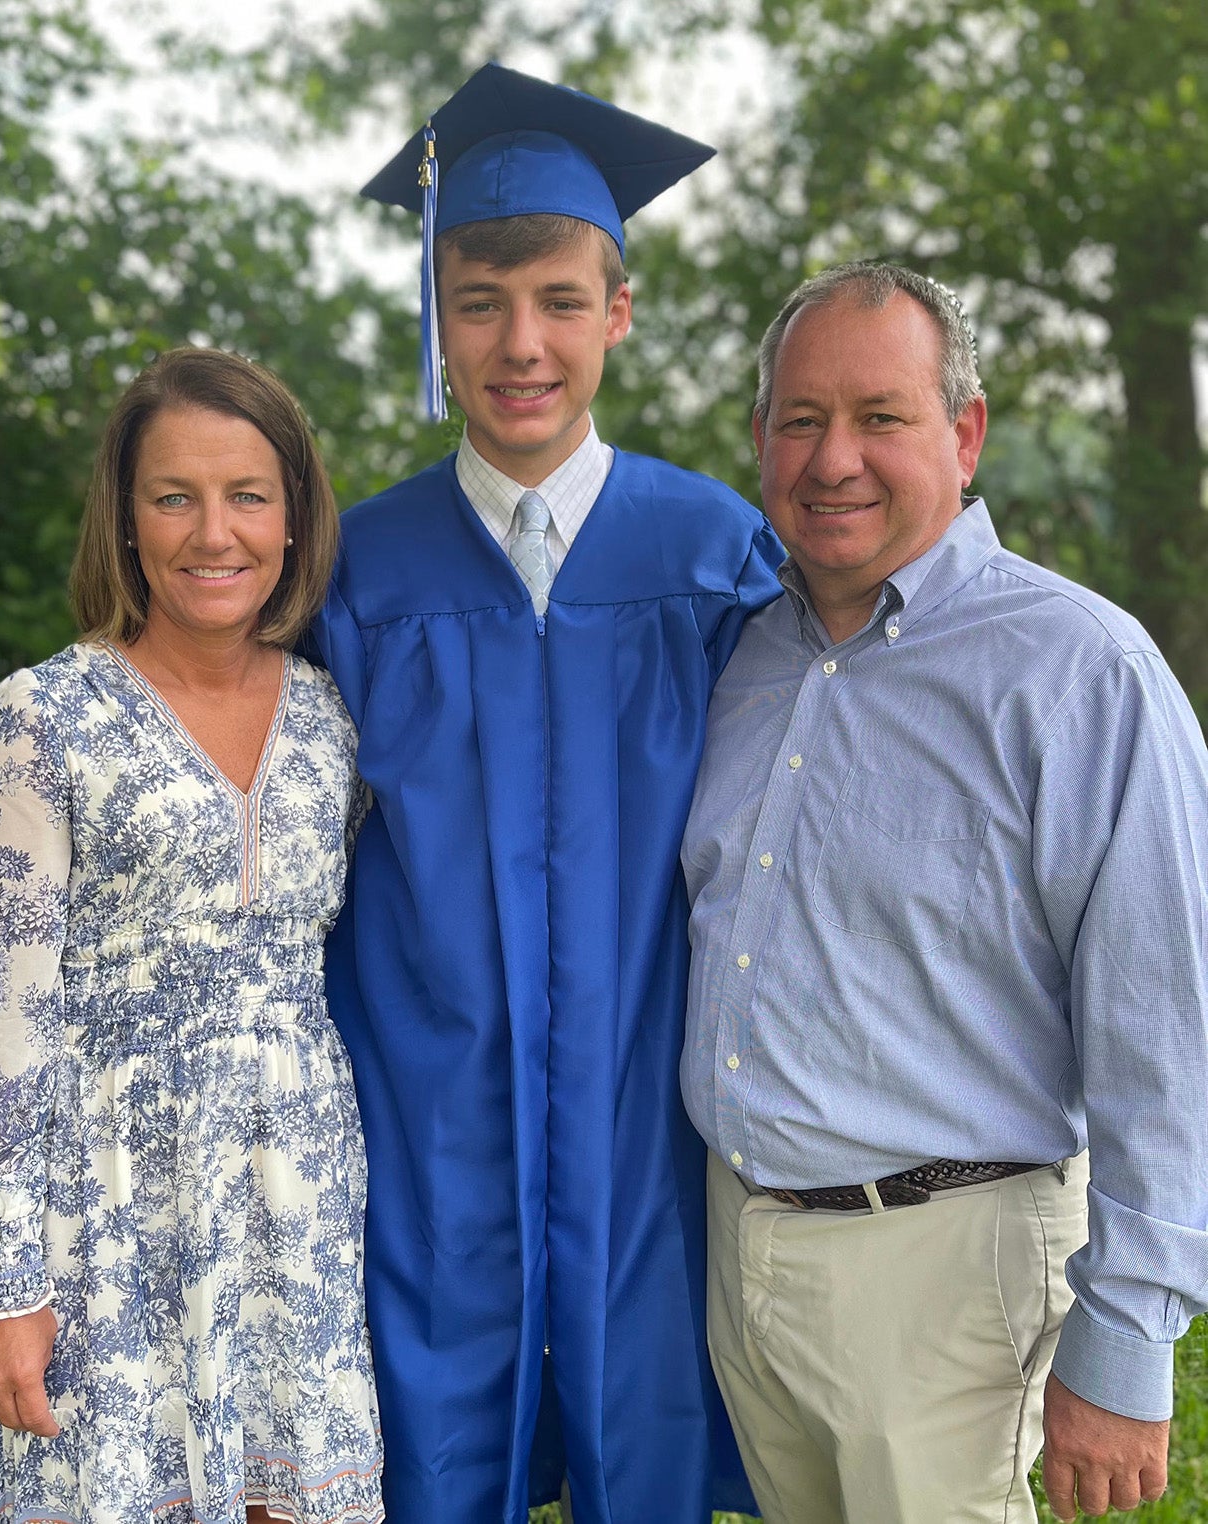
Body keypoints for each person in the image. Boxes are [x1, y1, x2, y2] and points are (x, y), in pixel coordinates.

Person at [308, 62, 785, 1524]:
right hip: (424, 1129)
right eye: (479, 301)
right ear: (432, 320)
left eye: (562, 301)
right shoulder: (355, 571)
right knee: (429, 1462)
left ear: (617, 313)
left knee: (649, 1438)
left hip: (652, 1125)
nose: (522, 344)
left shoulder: (716, 556)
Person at [681, 259, 1208, 1524]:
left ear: (962, 434)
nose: (832, 459)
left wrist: (1127, 1339)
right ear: (759, 441)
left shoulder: (1078, 672)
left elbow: (1167, 1033)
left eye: (880, 418)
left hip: (946, 1277)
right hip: (742, 1254)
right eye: (799, 421)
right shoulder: (738, 656)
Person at [0, 349, 383, 1524]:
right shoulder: (43, 718)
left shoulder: (333, 718)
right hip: (102, 1208)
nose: (210, 532)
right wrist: (1, 1285)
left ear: (293, 518)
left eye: (246, 495)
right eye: (173, 496)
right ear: (124, 522)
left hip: (292, 1197)